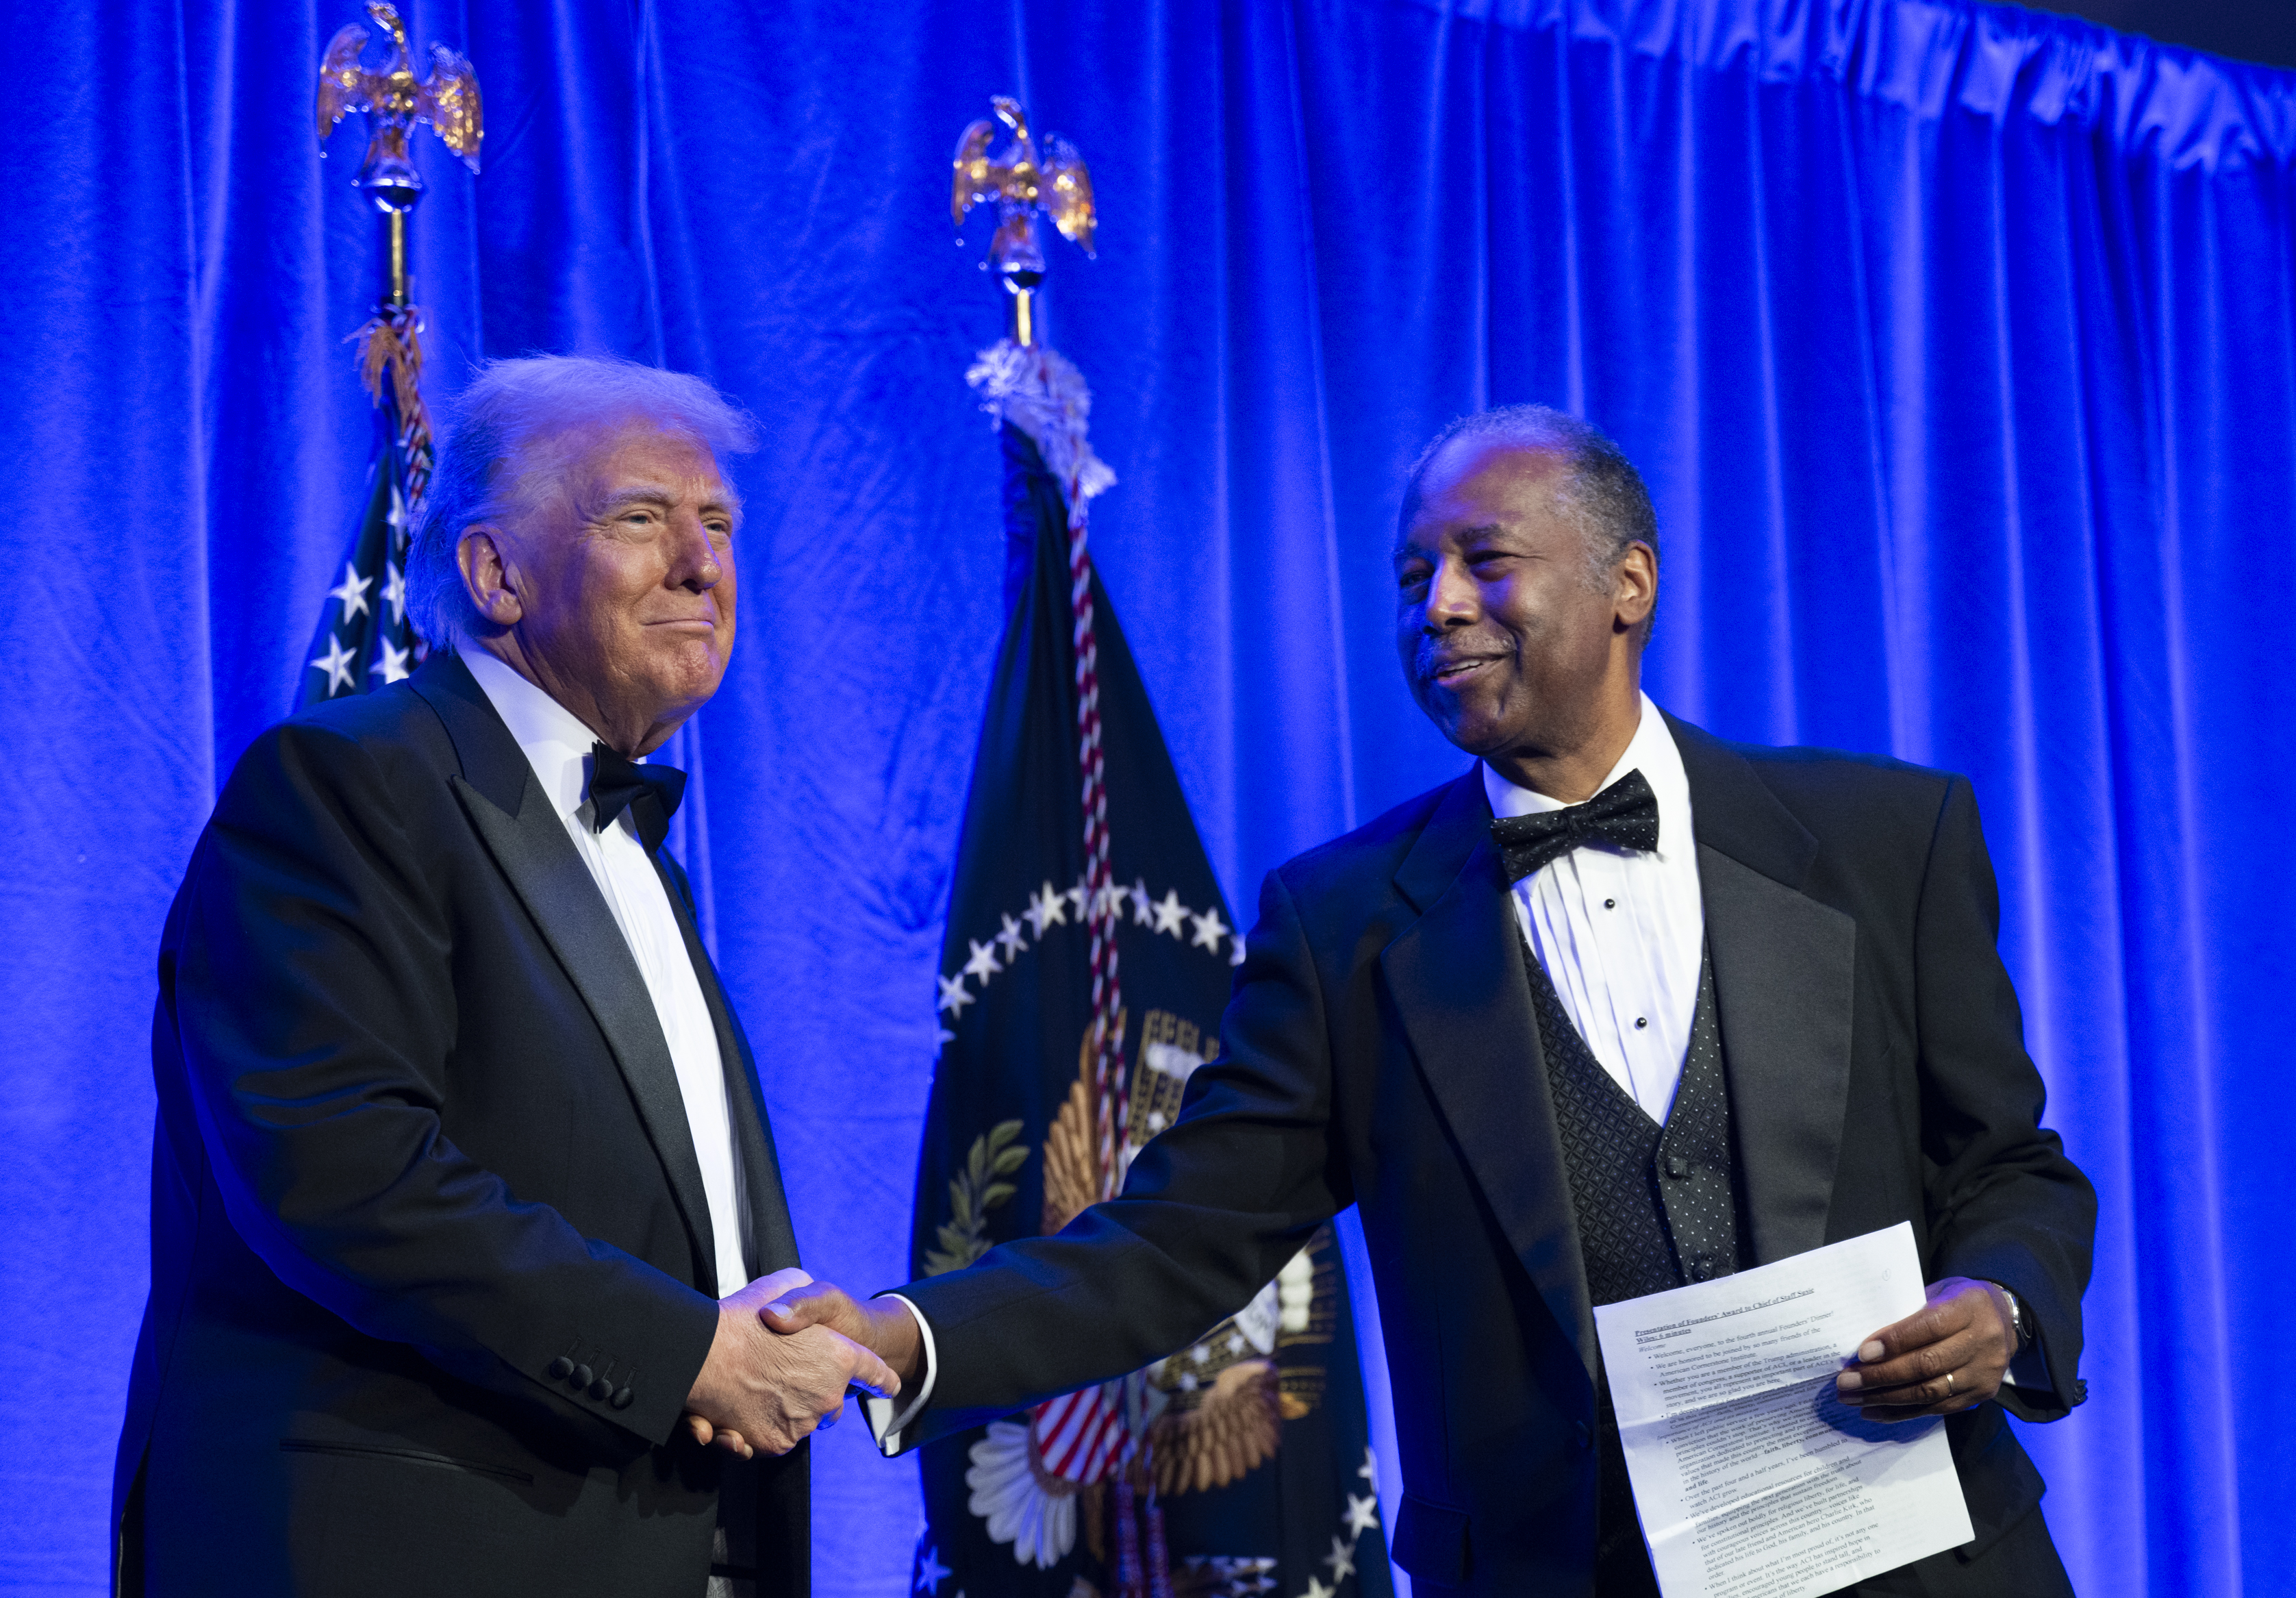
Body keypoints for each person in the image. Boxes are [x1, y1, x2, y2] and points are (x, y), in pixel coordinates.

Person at [773, 406, 2097, 1595]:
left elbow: (2011, 1166)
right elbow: (1179, 1239)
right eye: (1414, 577)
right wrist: (909, 1331)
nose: (1439, 605)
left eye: (1484, 560)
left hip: (1922, 1557)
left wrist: (2003, 1304)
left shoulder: (1885, 837)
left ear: (1628, 584)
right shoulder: (1344, 923)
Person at [114, 355, 896, 1598]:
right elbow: (341, 1171)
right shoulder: (348, 784)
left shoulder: (642, 857)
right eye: (643, 517)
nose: (703, 563)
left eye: (721, 525)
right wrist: (689, 1350)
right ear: (494, 573)